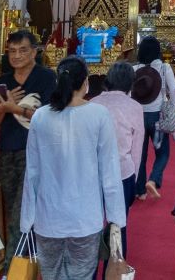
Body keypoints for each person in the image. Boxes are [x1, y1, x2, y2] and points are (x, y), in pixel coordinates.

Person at [21, 56, 127, 280]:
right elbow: (109, 173)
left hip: (47, 219)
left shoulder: (40, 116)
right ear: (86, 83)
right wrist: (116, 218)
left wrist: (27, 220)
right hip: (84, 220)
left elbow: (32, 174)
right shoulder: (98, 115)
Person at [0, 29, 56, 270]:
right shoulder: (2, 82)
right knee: (12, 209)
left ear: (35, 52)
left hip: (36, 153)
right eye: (12, 51)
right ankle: (27, 263)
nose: (17, 55)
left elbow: (49, 118)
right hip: (8, 153)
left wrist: (14, 107)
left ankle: (12, 269)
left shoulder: (47, 78)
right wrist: (4, 109)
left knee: (20, 214)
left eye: (22, 50)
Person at [91, 61, 144, 257]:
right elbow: (137, 149)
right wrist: (134, 179)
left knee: (92, 225)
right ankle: (114, 269)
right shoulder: (134, 107)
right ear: (131, 83)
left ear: (108, 80)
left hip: (94, 173)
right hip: (123, 173)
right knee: (118, 225)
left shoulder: (92, 103)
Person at [134, 35, 175, 200]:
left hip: (137, 116)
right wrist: (171, 104)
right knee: (163, 152)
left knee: (140, 153)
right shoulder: (164, 68)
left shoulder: (135, 68)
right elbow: (173, 90)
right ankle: (153, 179)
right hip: (158, 116)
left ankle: (140, 191)